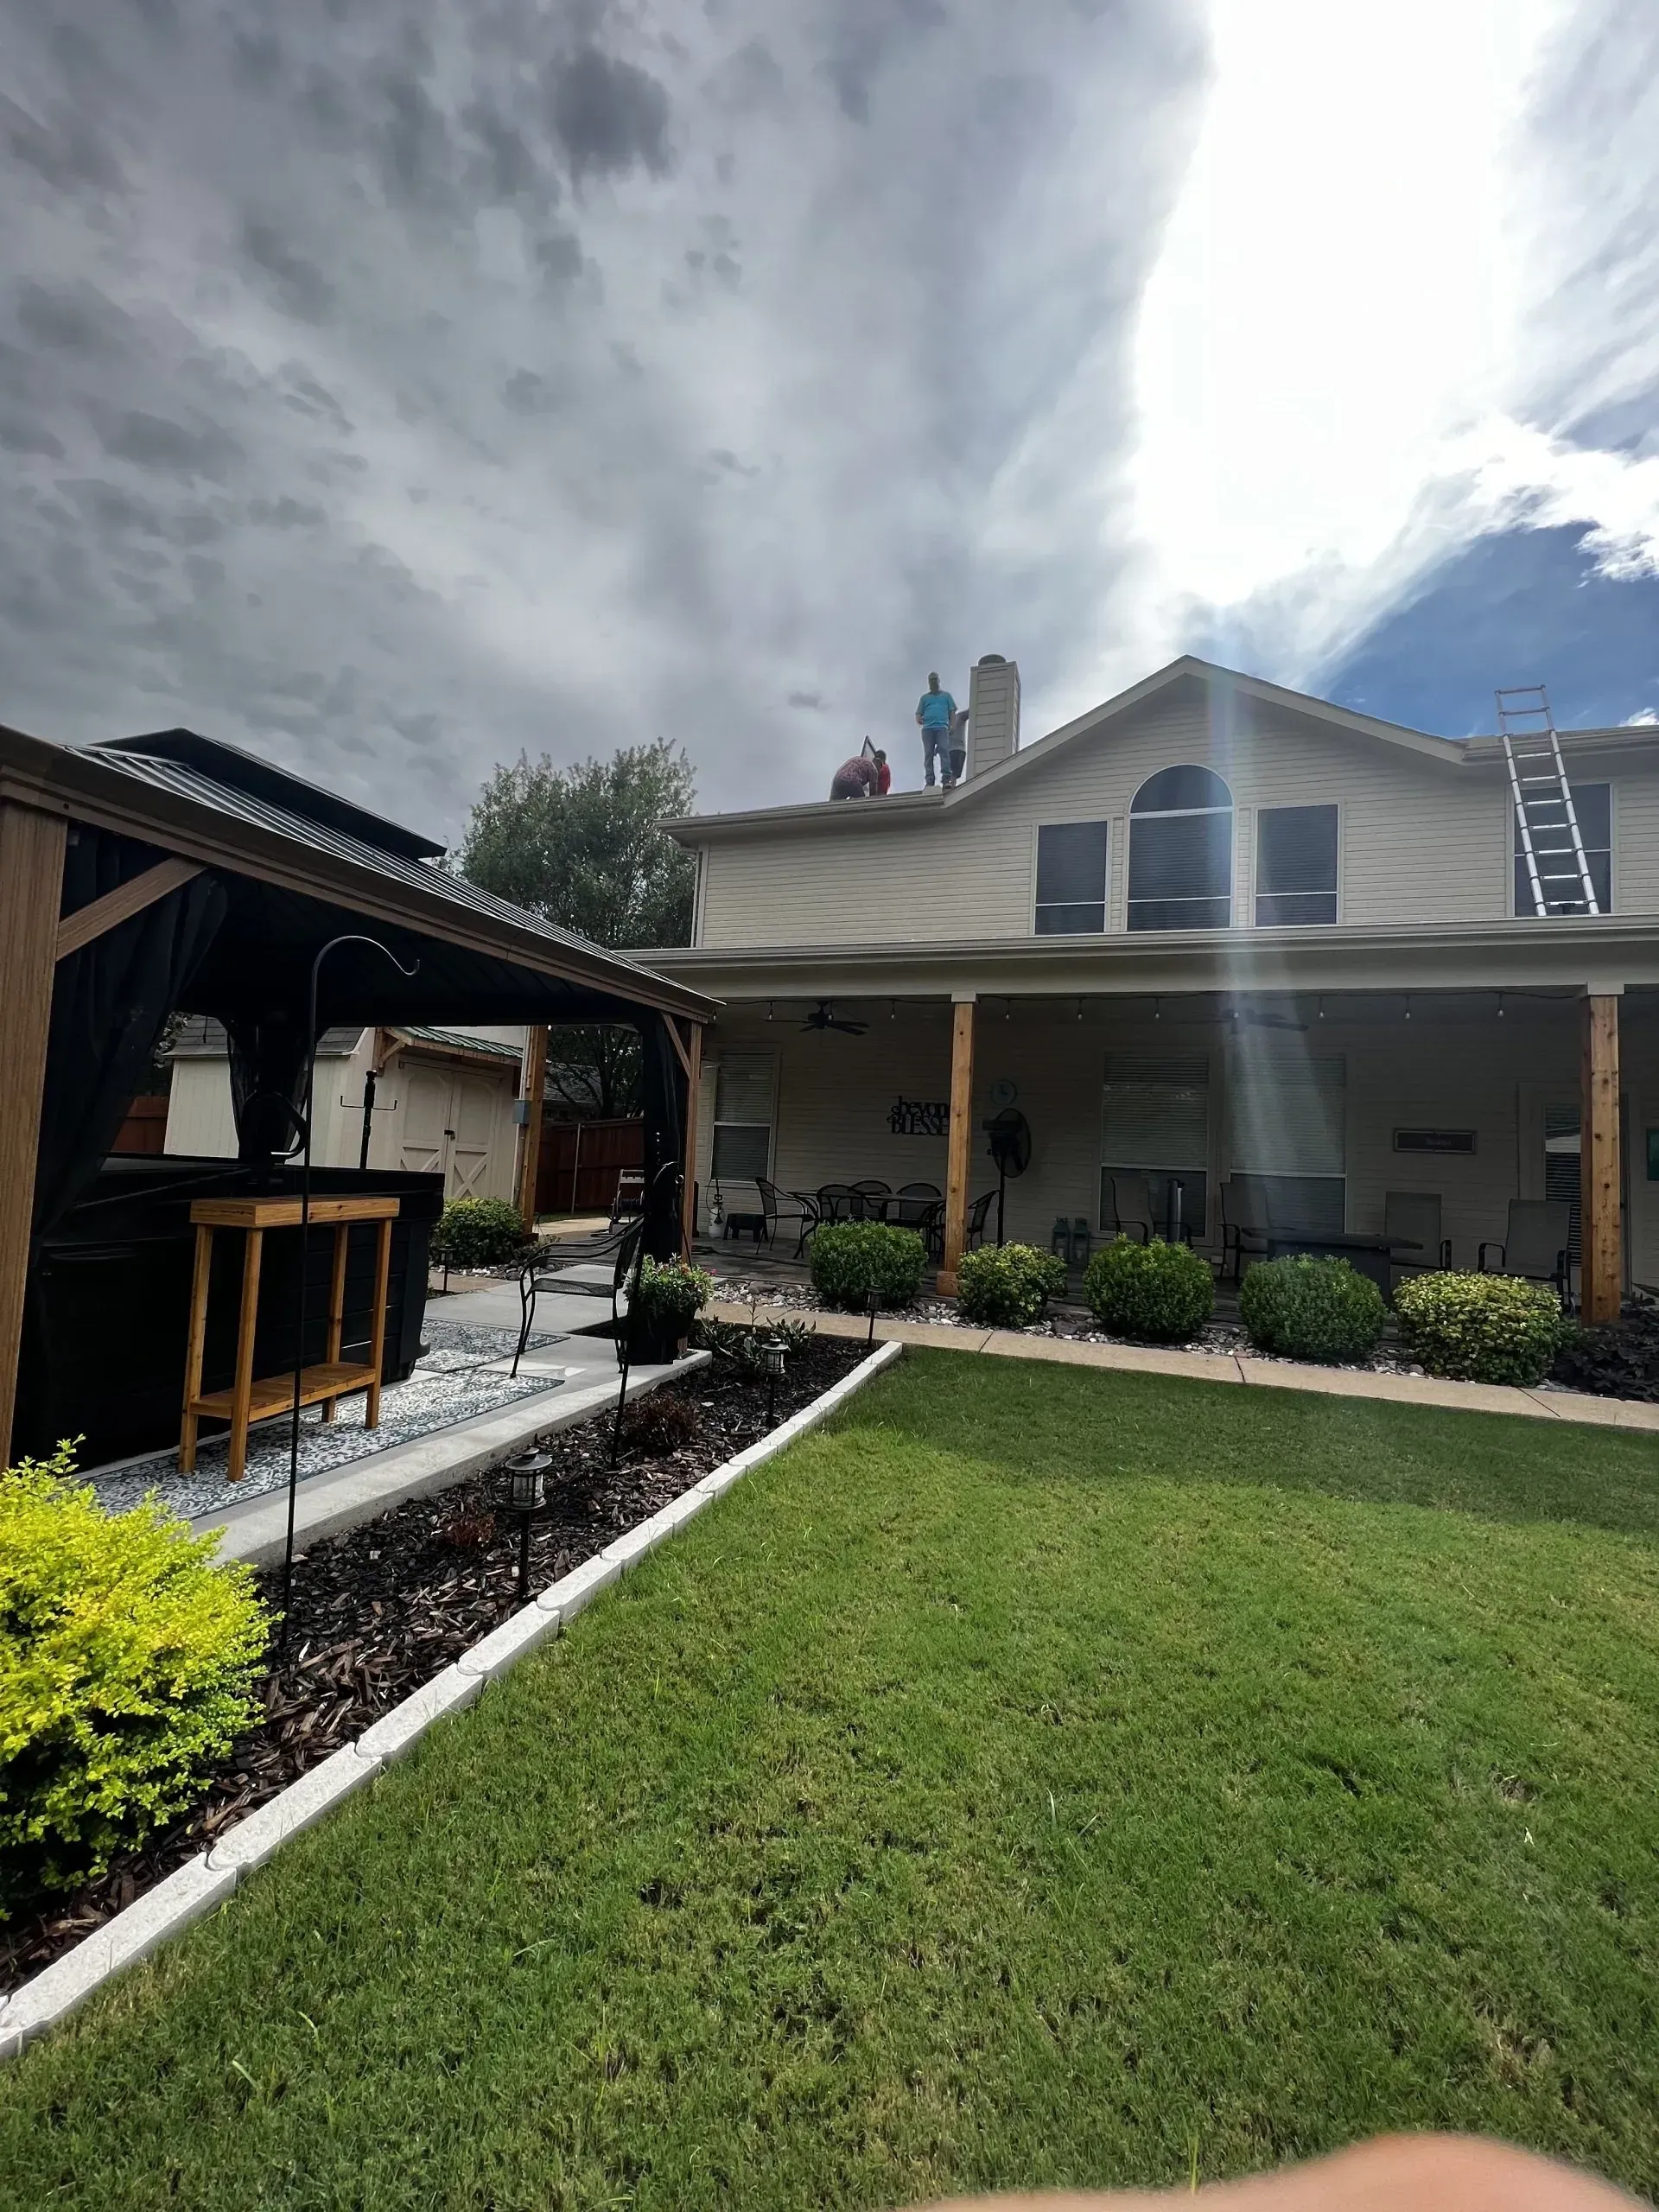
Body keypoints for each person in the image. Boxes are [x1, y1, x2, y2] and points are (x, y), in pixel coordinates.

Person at [915, 671, 958, 787]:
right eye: (931, 680)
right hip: (928, 729)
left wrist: (953, 725)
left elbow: (952, 712)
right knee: (928, 754)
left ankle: (945, 779)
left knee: (944, 750)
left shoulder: (946, 696)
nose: (933, 682)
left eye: (935, 679)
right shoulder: (925, 698)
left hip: (942, 728)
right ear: (929, 683)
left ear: (939, 681)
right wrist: (919, 719)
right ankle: (930, 780)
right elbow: (918, 714)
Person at [948, 707, 969, 786]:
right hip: (949, 751)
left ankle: (952, 785)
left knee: (954, 773)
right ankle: (949, 786)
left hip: (959, 749)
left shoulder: (959, 717)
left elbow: (972, 710)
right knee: (949, 772)